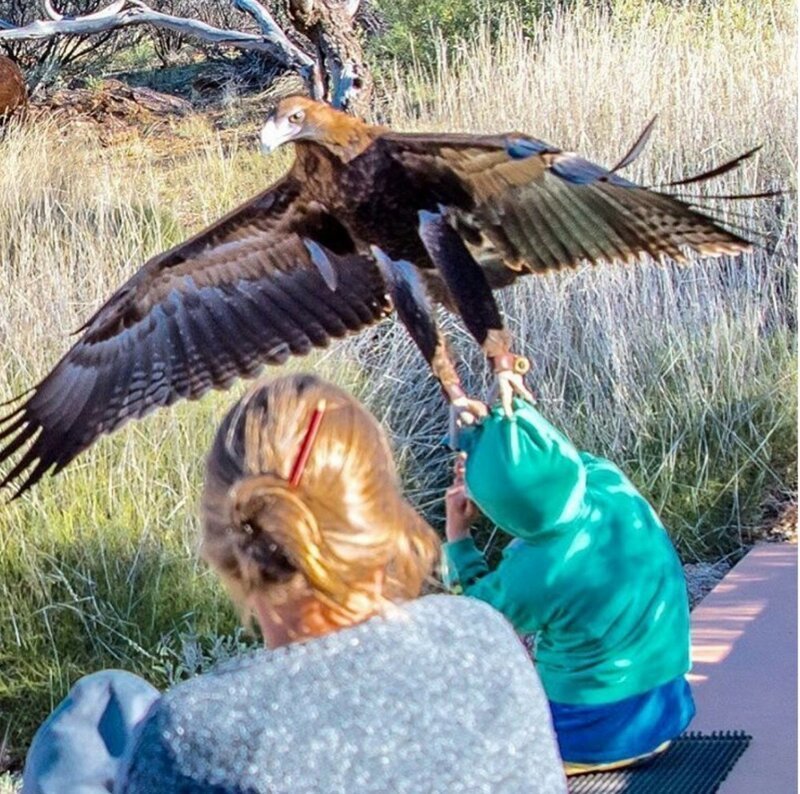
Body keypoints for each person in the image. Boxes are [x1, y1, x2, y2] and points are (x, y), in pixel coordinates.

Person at [24, 374, 567, 794]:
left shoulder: (193, 737)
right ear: (384, 517)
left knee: (96, 715)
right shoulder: (484, 641)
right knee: (113, 704)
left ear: (222, 545)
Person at [442, 398, 696, 776]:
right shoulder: (608, 481)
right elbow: (549, 460)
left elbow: (471, 622)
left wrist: (458, 537)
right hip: (667, 713)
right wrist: (496, 432)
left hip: (589, 736)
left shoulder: (536, 572)